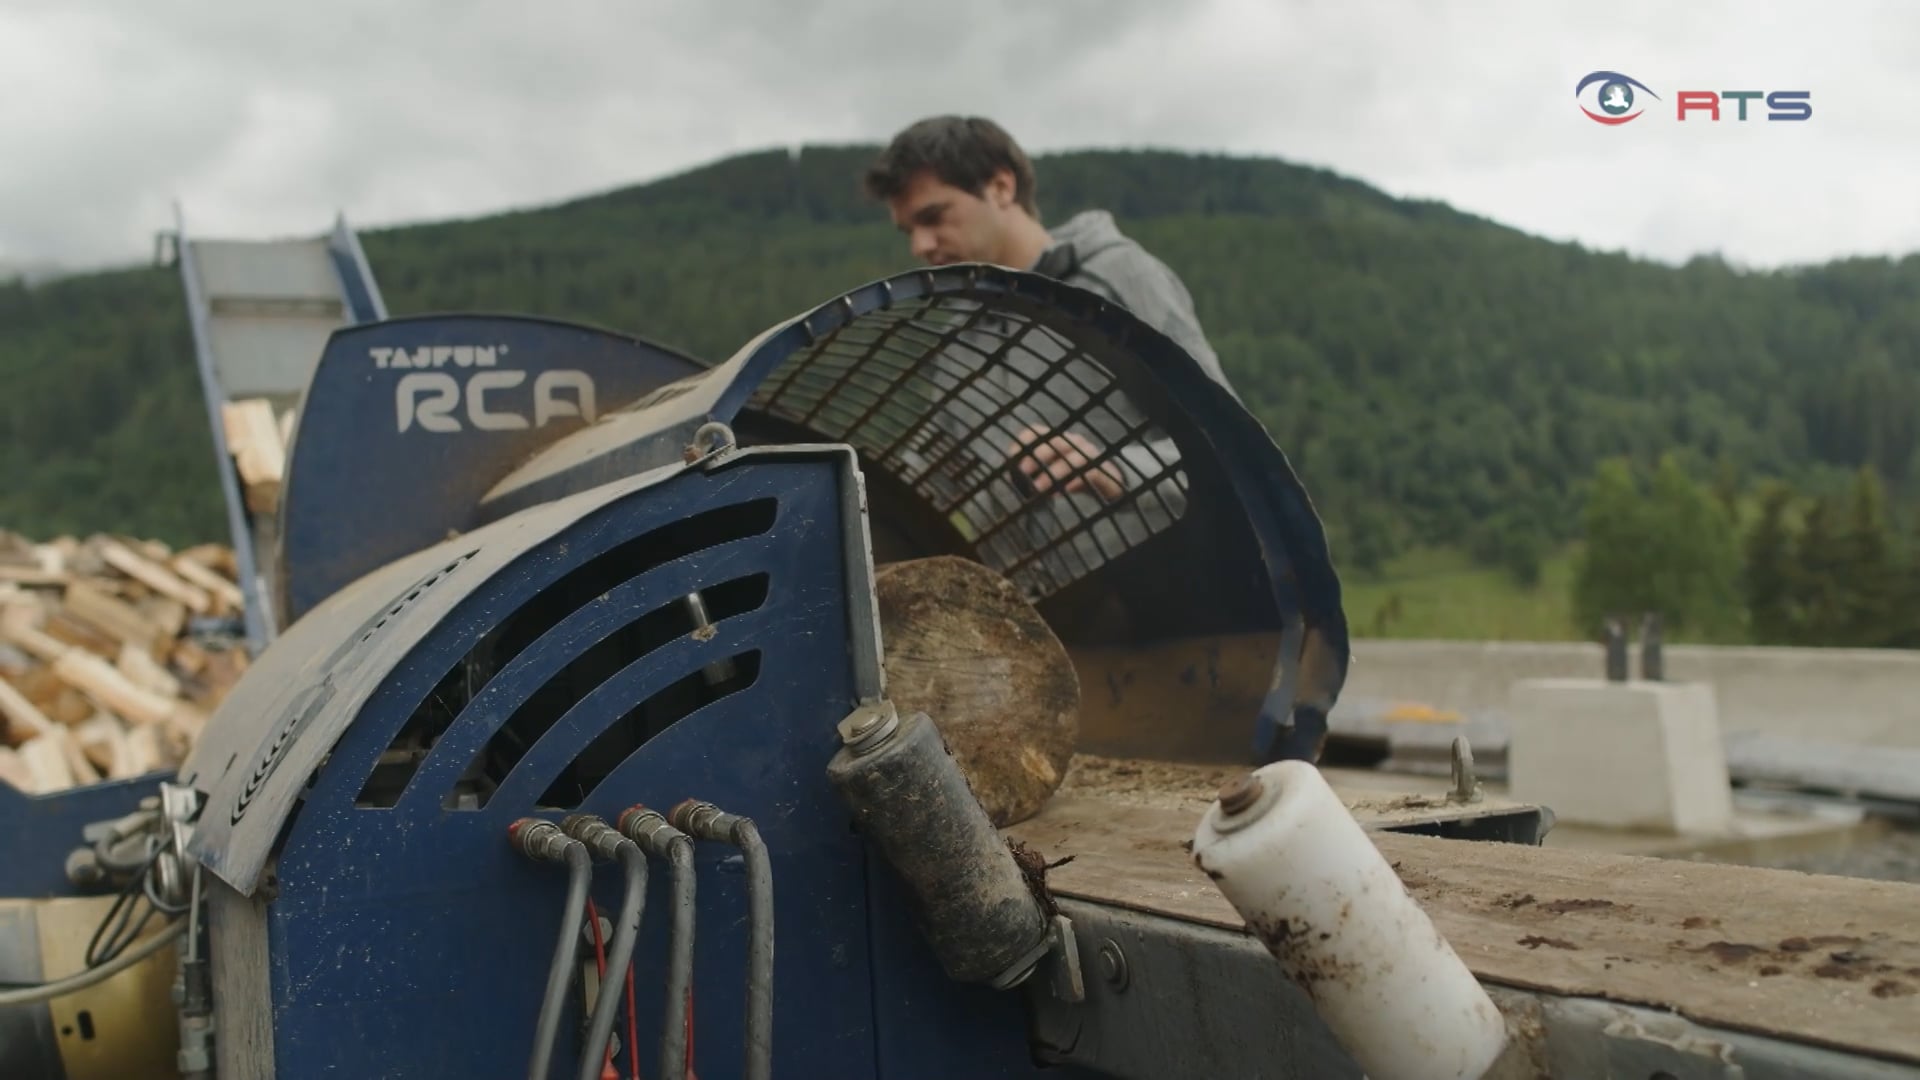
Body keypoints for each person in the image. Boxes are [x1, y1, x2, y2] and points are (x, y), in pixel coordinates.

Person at [861, 116, 1236, 505]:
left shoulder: (1119, 279)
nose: (920, 245)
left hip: (1163, 566)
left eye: (933, 217)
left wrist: (1116, 470)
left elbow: (1231, 450)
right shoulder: (961, 337)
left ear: (1001, 187)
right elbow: (934, 479)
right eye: (909, 231)